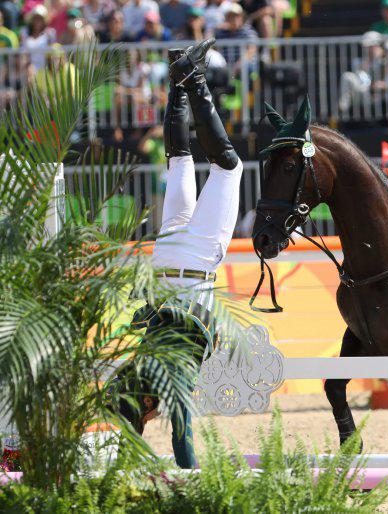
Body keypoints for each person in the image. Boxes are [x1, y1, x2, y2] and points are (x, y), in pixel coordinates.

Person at [120, 38, 244, 469]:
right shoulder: (138, 361)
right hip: (165, 254)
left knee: (230, 167)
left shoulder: (171, 372)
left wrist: (189, 477)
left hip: (194, 266)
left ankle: (193, 80)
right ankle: (180, 79)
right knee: (179, 163)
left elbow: (182, 443)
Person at [339, 31, 384, 115]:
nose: (368, 49)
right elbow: (360, 80)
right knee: (346, 76)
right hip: (362, 92)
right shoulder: (357, 62)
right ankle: (343, 109)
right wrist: (368, 63)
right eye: (367, 46)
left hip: (378, 93)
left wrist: (378, 58)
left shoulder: (384, 61)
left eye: (371, 46)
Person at [214, 3, 258, 77]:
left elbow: (251, 51)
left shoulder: (248, 31)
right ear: (226, 18)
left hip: (244, 66)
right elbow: (213, 49)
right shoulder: (220, 33)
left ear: (241, 17)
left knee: (245, 69)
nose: (234, 19)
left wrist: (237, 66)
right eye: (231, 16)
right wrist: (215, 29)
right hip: (225, 67)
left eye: (237, 16)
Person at [20, 5, 57, 74]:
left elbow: (52, 53)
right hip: (29, 71)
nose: (37, 21)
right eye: (36, 18)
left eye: (40, 18)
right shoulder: (24, 32)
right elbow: (24, 53)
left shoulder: (50, 33)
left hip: (46, 70)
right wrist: (27, 67)